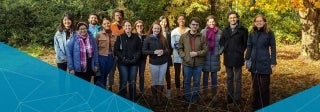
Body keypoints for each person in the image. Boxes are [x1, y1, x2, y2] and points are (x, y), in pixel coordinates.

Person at [245, 14, 277, 111]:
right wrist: (246, 59)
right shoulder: (251, 32)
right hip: (254, 62)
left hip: (265, 62)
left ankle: (265, 107)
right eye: (257, 21)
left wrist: (273, 61)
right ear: (254, 23)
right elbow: (249, 46)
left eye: (261, 21)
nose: (259, 22)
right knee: (255, 87)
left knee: (264, 88)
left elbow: (273, 47)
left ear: (264, 22)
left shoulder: (269, 33)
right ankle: (256, 106)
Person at [219, 11, 248, 105]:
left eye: (234, 17)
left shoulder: (243, 30)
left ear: (237, 18)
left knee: (238, 79)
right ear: (228, 19)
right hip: (227, 57)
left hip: (238, 57)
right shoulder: (225, 30)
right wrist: (225, 49)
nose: (232, 19)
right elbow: (221, 42)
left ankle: (237, 98)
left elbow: (245, 44)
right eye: (231, 18)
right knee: (229, 78)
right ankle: (229, 97)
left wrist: (240, 51)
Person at [178, 17, 208, 104]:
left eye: (196, 25)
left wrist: (197, 53)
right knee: (187, 81)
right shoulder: (183, 36)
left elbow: (205, 50)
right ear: (190, 25)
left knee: (197, 82)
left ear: (198, 26)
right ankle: (187, 98)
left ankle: (195, 98)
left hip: (198, 64)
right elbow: (180, 48)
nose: (195, 26)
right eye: (193, 24)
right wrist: (185, 56)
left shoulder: (202, 37)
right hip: (187, 63)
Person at [142, 21, 169, 105]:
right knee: (154, 80)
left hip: (163, 62)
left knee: (161, 80)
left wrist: (163, 51)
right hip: (153, 62)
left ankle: (159, 97)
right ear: (152, 29)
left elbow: (168, 50)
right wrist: (154, 52)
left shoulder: (163, 38)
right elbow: (144, 51)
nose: (156, 30)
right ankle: (154, 98)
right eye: (155, 28)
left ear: (160, 29)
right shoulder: (147, 38)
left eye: (158, 28)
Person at [114, 20, 141, 101]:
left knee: (132, 82)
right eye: (125, 26)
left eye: (129, 25)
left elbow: (139, 50)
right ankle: (123, 99)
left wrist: (135, 58)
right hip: (123, 63)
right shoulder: (120, 37)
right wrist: (123, 58)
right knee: (124, 81)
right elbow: (116, 50)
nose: (127, 27)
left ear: (131, 27)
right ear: (123, 27)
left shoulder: (136, 37)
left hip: (134, 63)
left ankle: (132, 99)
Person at [200, 15, 222, 100]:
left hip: (215, 57)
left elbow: (222, 44)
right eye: (210, 22)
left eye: (213, 22)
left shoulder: (219, 32)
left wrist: (219, 52)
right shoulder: (203, 32)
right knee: (205, 77)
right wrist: (202, 53)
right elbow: (200, 44)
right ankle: (205, 94)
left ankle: (214, 95)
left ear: (215, 22)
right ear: (207, 22)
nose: (211, 23)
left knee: (214, 77)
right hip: (205, 57)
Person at [95, 17, 117, 89]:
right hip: (101, 57)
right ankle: (100, 92)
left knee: (106, 74)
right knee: (101, 75)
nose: (107, 24)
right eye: (104, 24)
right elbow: (95, 48)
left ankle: (103, 89)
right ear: (102, 25)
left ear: (110, 24)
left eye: (108, 23)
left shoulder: (115, 35)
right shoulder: (98, 34)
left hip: (111, 57)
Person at [171, 14, 190, 97]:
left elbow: (190, 43)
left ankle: (185, 89)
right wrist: (182, 47)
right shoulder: (174, 31)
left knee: (185, 73)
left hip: (186, 55)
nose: (181, 20)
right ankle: (178, 90)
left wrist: (183, 46)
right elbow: (173, 44)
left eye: (183, 19)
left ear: (185, 20)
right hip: (177, 55)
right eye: (180, 19)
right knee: (177, 73)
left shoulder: (189, 30)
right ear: (177, 21)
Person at [108, 9, 125, 91]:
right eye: (116, 15)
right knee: (111, 71)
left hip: (122, 53)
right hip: (113, 53)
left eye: (119, 15)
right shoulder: (110, 26)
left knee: (122, 71)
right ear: (114, 16)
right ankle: (109, 88)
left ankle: (122, 89)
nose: (118, 16)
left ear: (122, 16)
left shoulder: (125, 27)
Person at [159, 16, 173, 98]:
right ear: (159, 22)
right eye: (162, 21)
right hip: (158, 57)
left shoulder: (169, 33)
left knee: (167, 74)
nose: (163, 23)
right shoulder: (156, 31)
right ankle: (160, 90)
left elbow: (170, 46)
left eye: (165, 22)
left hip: (166, 56)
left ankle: (168, 90)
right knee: (159, 74)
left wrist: (168, 53)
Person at [132, 20, 147, 96]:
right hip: (134, 59)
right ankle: (133, 92)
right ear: (135, 27)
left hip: (143, 59)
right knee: (134, 75)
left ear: (143, 27)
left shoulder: (145, 36)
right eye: (138, 26)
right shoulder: (132, 36)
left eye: (141, 26)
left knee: (141, 75)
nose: (139, 27)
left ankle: (141, 91)